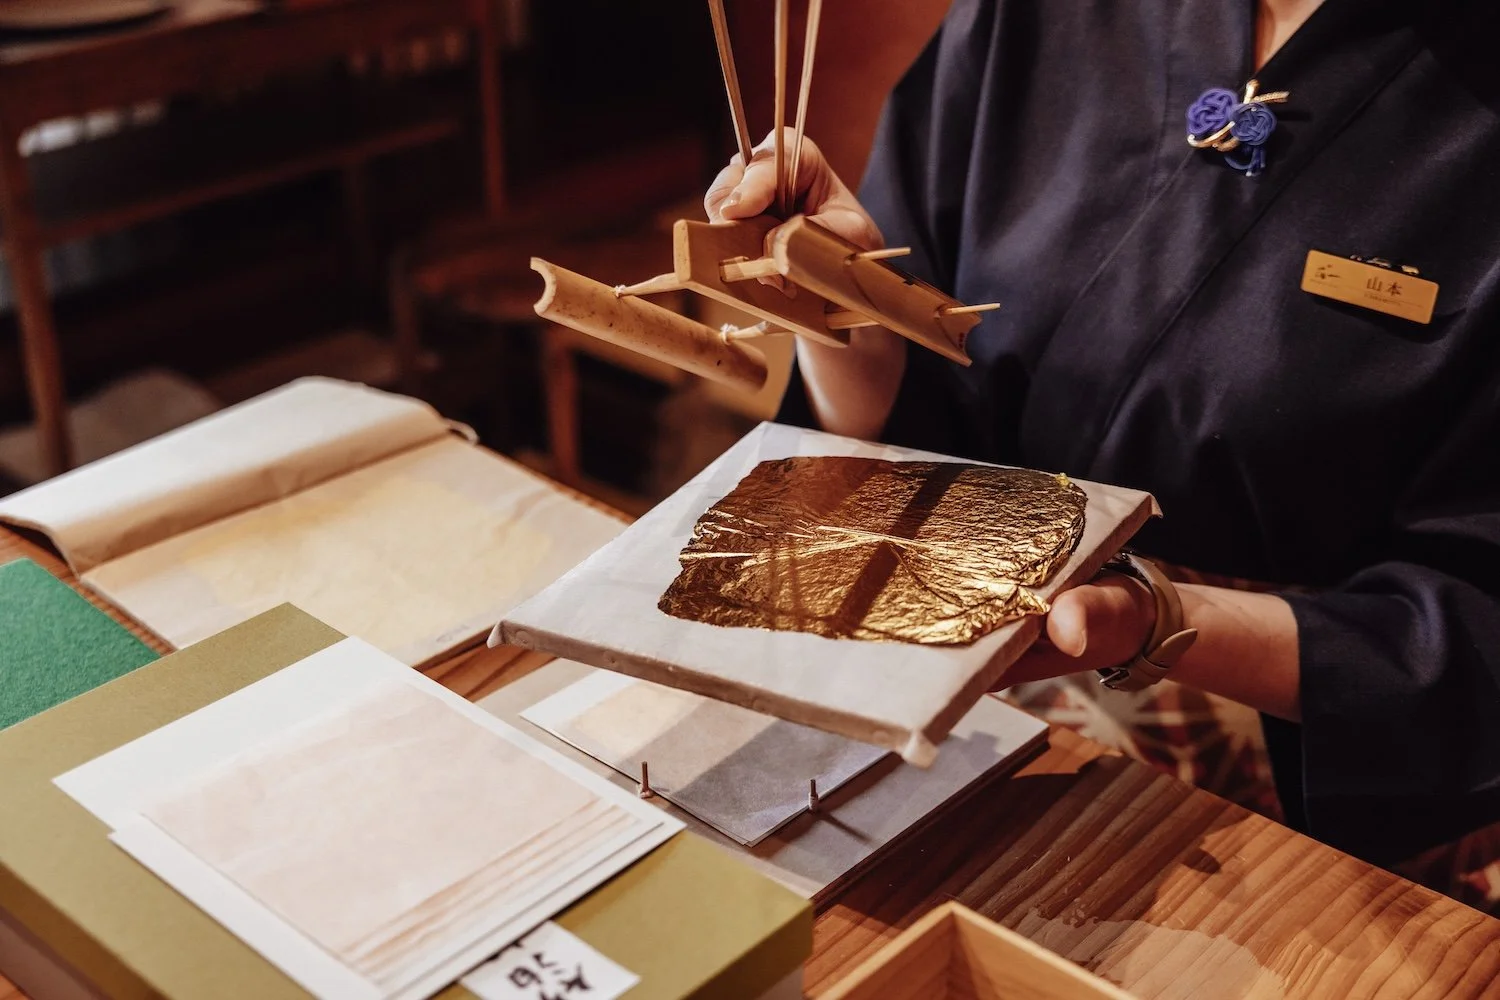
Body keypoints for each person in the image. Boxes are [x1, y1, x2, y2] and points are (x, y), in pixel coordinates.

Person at [703, 0, 1500, 892]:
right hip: (950, 658)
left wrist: (1153, 618)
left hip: (1302, 786)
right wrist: (841, 309)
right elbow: (919, 395)